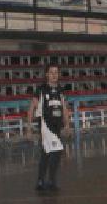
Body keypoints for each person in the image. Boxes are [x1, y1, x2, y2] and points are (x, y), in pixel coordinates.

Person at [25, 62, 72, 192]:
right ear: (46, 74)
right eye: (51, 72)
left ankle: (41, 181)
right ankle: (51, 180)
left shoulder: (61, 91)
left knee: (46, 153)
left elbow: (65, 109)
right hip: (45, 126)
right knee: (57, 151)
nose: (54, 75)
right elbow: (31, 108)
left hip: (57, 126)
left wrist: (67, 125)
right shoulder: (41, 90)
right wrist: (28, 128)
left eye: (56, 72)